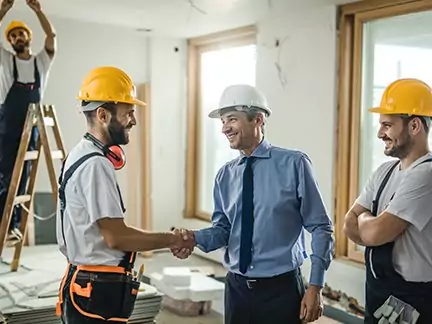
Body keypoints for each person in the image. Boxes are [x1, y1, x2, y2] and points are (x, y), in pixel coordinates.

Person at [172, 84, 335, 324]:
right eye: (223, 121)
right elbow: (223, 230)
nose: (225, 128)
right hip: (237, 290)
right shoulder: (225, 175)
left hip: (282, 290)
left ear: (257, 119)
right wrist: (193, 239)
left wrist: (316, 286)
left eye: (232, 119)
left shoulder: (294, 165)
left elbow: (321, 227)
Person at [55, 66, 195, 324]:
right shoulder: (96, 164)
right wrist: (173, 238)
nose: (134, 120)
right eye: (128, 112)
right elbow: (116, 237)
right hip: (95, 292)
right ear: (103, 115)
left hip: (85, 283)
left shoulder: (78, 153)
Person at [343, 78, 432, 324]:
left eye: (387, 125)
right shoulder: (384, 172)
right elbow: (347, 225)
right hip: (380, 298)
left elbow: (373, 235)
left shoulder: (426, 175)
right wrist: (369, 225)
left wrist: (364, 218)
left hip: (416, 303)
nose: (380, 133)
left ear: (414, 125)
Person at [0, 0, 56, 243]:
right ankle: (3, 225)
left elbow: (51, 35)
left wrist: (38, 10)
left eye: (21, 32)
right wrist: (3, 10)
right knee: (3, 175)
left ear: (28, 37)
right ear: (10, 42)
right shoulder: (5, 60)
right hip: (6, 124)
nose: (18, 37)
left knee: (22, 176)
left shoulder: (41, 62)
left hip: (31, 125)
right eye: (13, 35)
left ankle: (11, 226)